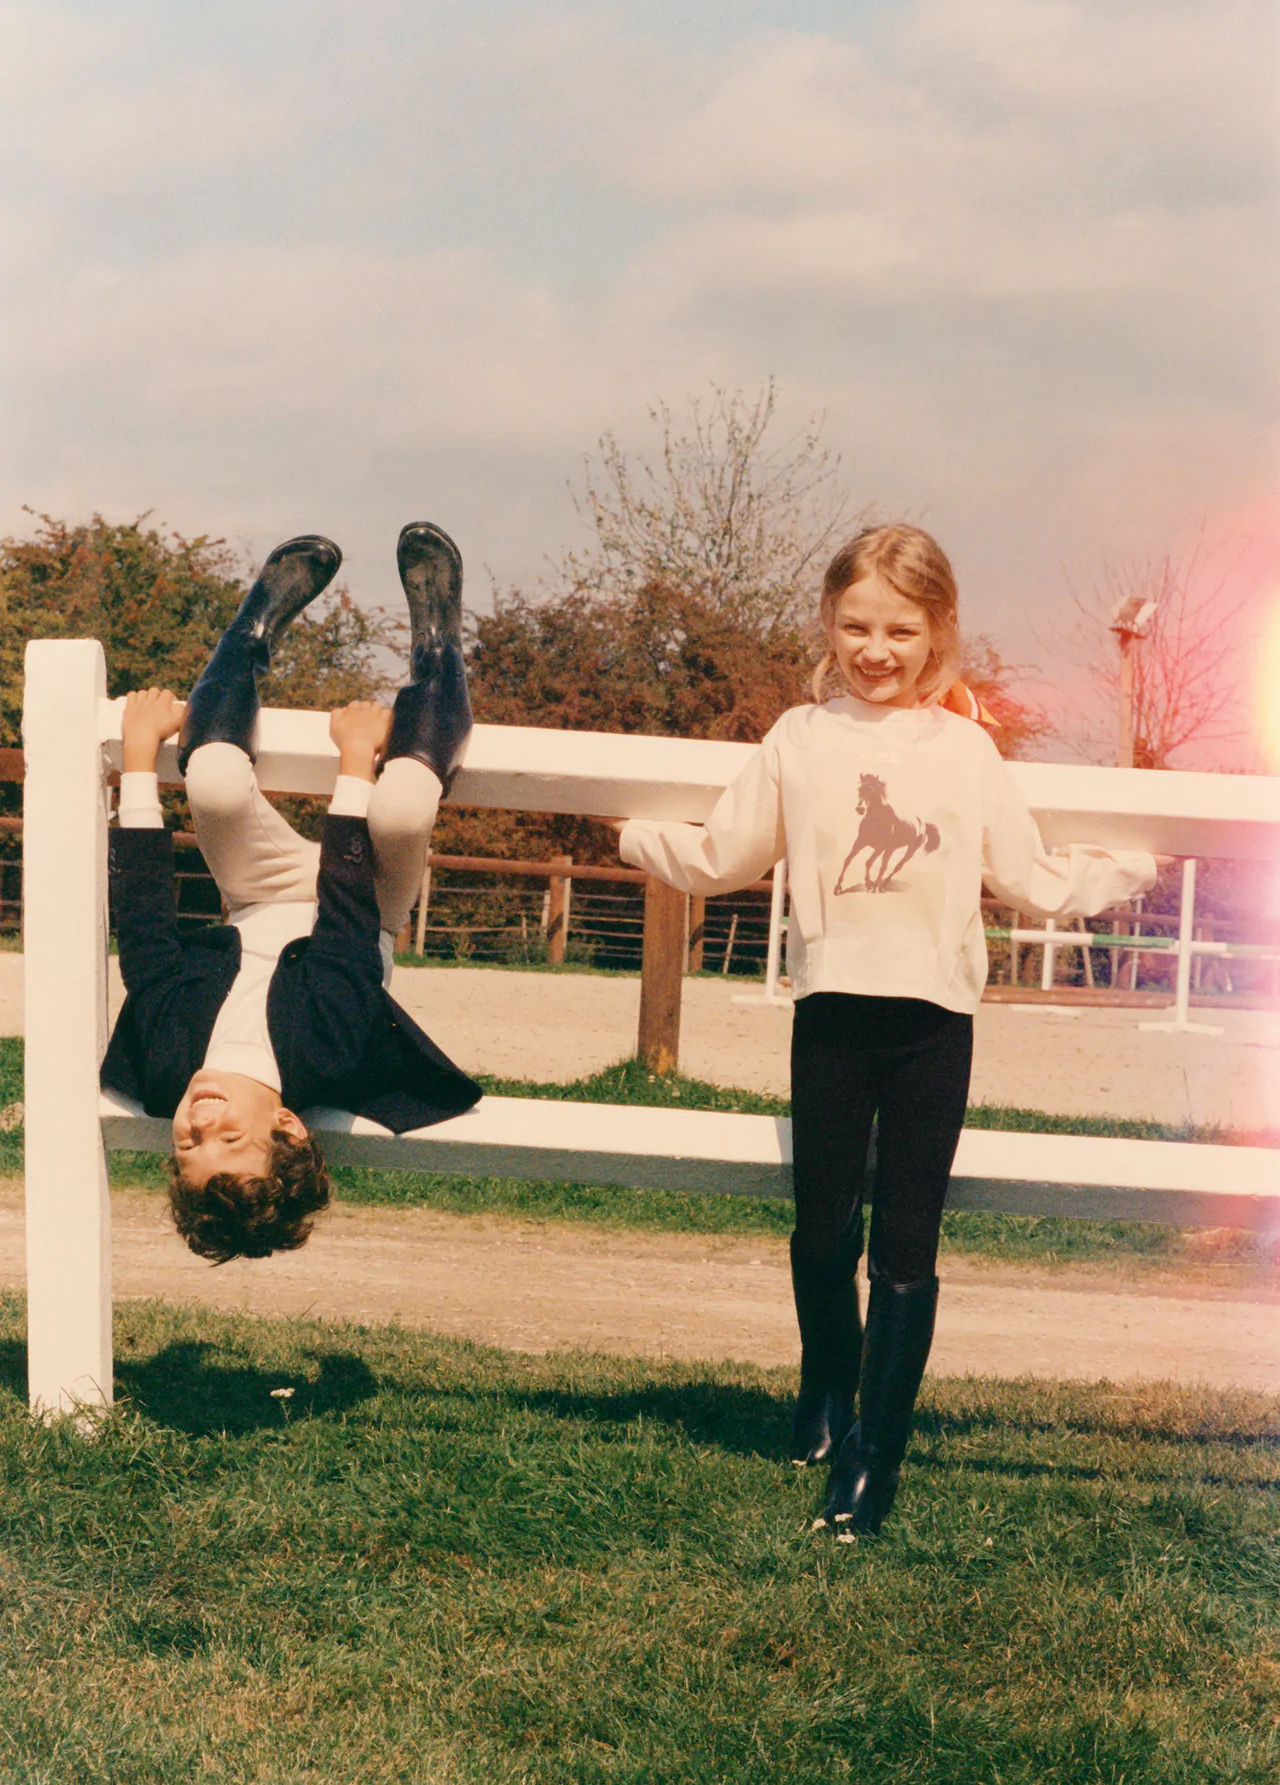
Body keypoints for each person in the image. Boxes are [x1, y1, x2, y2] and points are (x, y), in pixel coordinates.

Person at [611, 524, 1161, 1539]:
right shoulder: (798, 739)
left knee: (904, 1246)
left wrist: (1127, 864)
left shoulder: (963, 748)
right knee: (822, 1233)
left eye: (899, 630)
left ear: (934, 632)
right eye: (855, 626)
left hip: (930, 1023)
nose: (876, 649)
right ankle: (824, 1386)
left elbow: (1030, 877)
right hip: (830, 1014)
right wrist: (635, 833)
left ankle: (872, 1459)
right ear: (827, 625)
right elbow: (727, 850)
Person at [100, 523, 481, 1264]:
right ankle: (436, 644)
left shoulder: (170, 1054)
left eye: (186, 1147)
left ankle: (252, 627)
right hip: (364, 898)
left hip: (260, 895)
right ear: (290, 1129)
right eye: (228, 1139)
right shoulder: (325, 1052)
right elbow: (343, 925)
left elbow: (143, 924)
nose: (199, 1122)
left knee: (208, 778)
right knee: (402, 803)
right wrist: (353, 766)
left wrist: (142, 759)